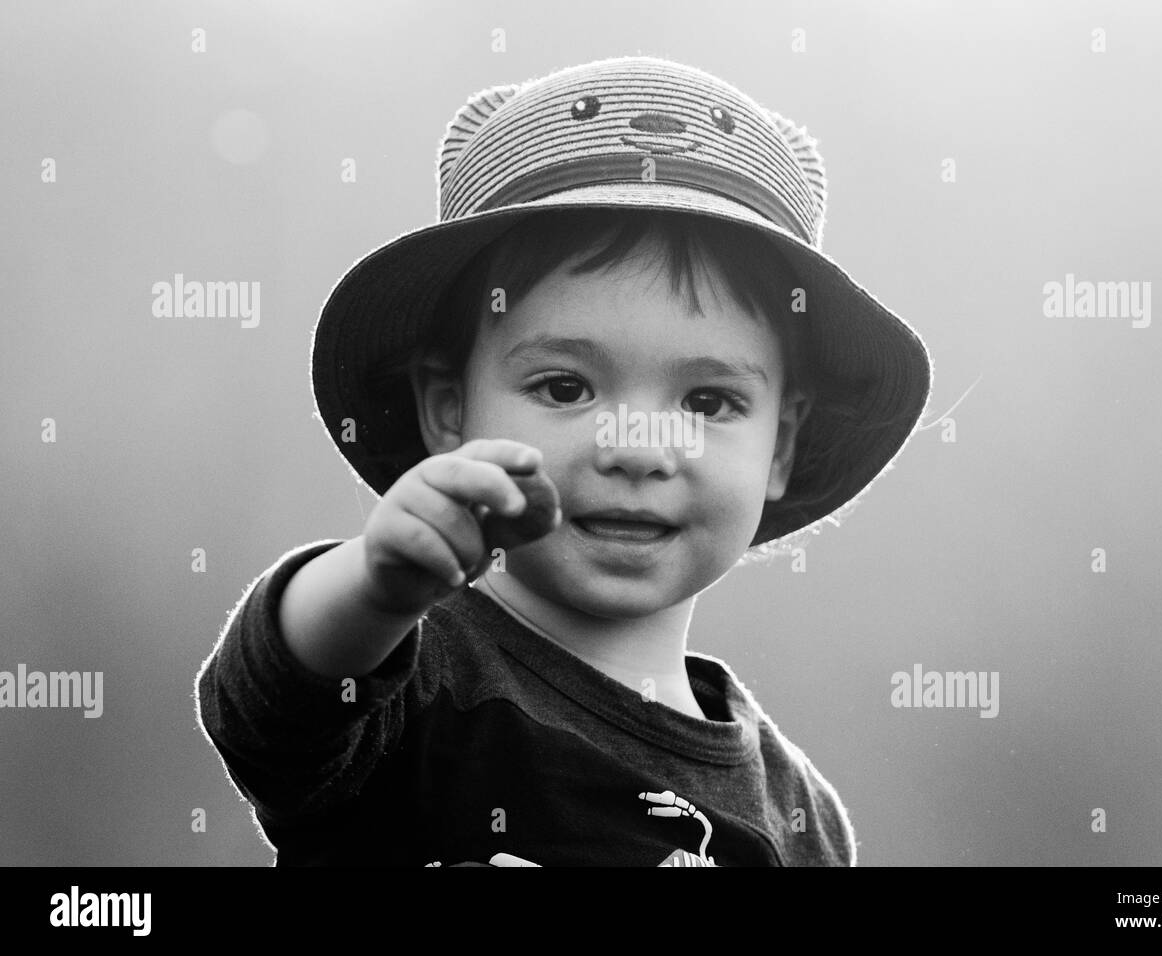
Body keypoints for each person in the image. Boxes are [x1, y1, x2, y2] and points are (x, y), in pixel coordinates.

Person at [195, 54, 933, 866]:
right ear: (448, 410)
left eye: (708, 402)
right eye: (565, 386)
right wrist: (373, 586)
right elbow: (268, 705)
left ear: (781, 446)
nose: (640, 450)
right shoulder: (415, 681)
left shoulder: (797, 816)